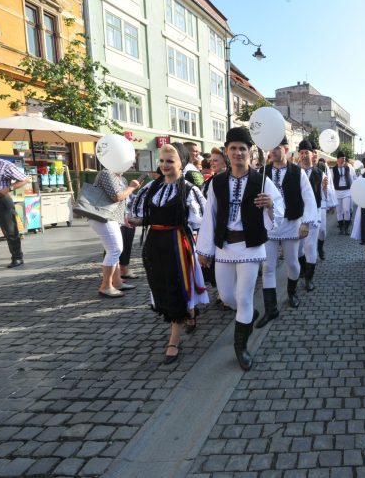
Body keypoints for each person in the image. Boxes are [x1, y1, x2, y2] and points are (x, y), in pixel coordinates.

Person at [195, 127, 283, 370]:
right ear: (226, 152)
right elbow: (210, 216)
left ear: (250, 152)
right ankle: (248, 315)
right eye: (233, 148)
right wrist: (204, 249)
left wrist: (269, 206)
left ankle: (240, 347)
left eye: (242, 148)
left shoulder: (261, 180)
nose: (237, 152)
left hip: (251, 246)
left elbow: (279, 212)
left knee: (244, 297)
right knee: (227, 296)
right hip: (225, 246)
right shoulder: (217, 182)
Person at [128, 143, 209, 364]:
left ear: (181, 163)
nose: (164, 165)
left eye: (170, 161)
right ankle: (190, 313)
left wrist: (200, 247)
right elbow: (147, 216)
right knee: (161, 285)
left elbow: (199, 222)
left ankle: (173, 339)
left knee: (176, 287)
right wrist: (137, 220)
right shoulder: (152, 188)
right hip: (155, 244)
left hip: (177, 243)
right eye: (162, 161)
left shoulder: (188, 190)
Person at [258, 136, 317, 326]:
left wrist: (306, 223)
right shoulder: (262, 172)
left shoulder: (297, 172)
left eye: (276, 148)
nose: (273, 152)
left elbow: (309, 198)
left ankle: (291, 292)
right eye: (270, 148)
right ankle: (270, 308)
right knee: (267, 266)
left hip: (292, 222)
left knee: (292, 262)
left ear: (285, 148)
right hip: (269, 223)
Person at [88, 167, 141, 297]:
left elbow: (122, 201)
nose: (131, 164)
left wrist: (124, 218)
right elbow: (117, 197)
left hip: (112, 218)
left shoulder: (120, 177)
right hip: (103, 217)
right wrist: (132, 187)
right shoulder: (107, 173)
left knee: (115, 250)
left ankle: (116, 282)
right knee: (115, 249)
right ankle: (106, 286)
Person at [0, 154, 30, 268]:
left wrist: (8, 189)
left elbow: (24, 179)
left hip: (0, 201)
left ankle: (17, 258)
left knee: (10, 231)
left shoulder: (3, 164)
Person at [297, 140, 324, 291]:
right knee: (298, 247)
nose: (304, 155)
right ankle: (302, 267)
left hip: (314, 212)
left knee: (309, 245)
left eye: (306, 152)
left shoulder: (319, 173)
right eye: (301, 153)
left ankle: (309, 278)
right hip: (298, 213)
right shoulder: (293, 172)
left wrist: (326, 190)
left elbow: (326, 194)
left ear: (312, 154)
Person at [332, 150, 355, 234]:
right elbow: (331, 182)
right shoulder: (333, 170)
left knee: (346, 210)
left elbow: (353, 179)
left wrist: (353, 190)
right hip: (337, 192)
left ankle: (347, 228)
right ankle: (341, 228)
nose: (343, 160)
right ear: (337, 159)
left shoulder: (350, 168)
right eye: (342, 158)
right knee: (339, 211)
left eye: (344, 158)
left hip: (347, 191)